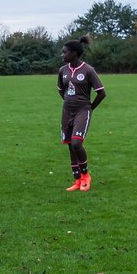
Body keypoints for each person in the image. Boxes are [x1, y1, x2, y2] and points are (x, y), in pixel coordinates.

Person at [57, 36, 106, 191]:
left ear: (75, 53)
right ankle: (77, 180)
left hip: (82, 110)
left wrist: (90, 107)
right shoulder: (62, 71)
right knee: (70, 146)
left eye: (65, 52)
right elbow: (61, 90)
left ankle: (85, 176)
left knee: (77, 143)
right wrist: (68, 102)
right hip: (67, 111)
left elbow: (101, 93)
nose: (62, 55)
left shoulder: (88, 70)